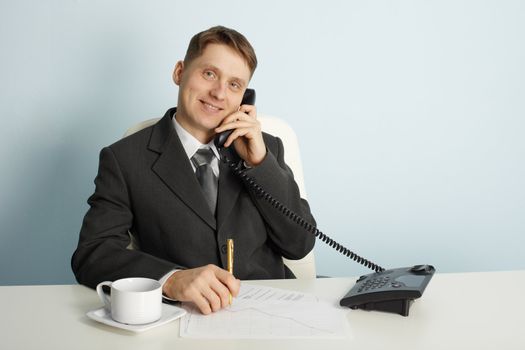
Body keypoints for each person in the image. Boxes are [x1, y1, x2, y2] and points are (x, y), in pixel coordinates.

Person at [71, 26, 315, 315]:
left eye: (235, 85)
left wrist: (260, 164)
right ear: (179, 72)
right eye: (209, 74)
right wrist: (171, 279)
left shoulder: (266, 149)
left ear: (245, 98)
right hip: (183, 316)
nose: (219, 93)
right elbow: (93, 253)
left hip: (271, 313)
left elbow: (300, 244)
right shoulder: (124, 159)